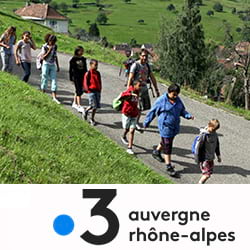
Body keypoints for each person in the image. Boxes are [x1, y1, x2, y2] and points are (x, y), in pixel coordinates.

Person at [143, 84, 194, 177]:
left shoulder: (178, 100)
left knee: (166, 141)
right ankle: (169, 166)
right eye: (173, 94)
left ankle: (156, 152)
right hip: (165, 126)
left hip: (174, 127)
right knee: (168, 145)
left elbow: (182, 110)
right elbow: (152, 112)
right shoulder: (161, 101)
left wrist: (188, 116)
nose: (175, 96)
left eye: (177, 95)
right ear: (168, 92)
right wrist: (146, 122)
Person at [127, 49, 160, 132]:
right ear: (140, 56)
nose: (144, 58)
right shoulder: (136, 65)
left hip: (144, 88)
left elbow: (152, 78)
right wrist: (128, 89)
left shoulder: (147, 66)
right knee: (138, 107)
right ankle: (135, 123)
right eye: (143, 56)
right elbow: (130, 77)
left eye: (146, 56)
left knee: (142, 107)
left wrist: (156, 89)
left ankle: (134, 121)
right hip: (136, 89)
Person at [120, 81, 142, 155]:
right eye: (139, 86)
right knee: (126, 129)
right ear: (134, 85)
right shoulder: (130, 90)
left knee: (132, 131)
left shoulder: (138, 92)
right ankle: (123, 136)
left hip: (134, 114)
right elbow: (122, 96)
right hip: (127, 113)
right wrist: (130, 94)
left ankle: (130, 148)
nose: (140, 87)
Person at [197, 119, 221, 184]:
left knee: (209, 173)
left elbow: (217, 145)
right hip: (205, 158)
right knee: (206, 174)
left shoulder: (215, 135)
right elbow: (199, 147)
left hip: (211, 158)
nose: (213, 131)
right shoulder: (204, 135)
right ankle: (200, 183)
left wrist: (218, 156)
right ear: (209, 126)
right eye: (213, 129)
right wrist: (199, 158)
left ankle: (201, 183)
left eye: (215, 130)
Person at [40, 34, 60, 104]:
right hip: (46, 64)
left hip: (52, 64)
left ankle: (54, 97)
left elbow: (55, 56)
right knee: (44, 78)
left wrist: (58, 65)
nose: (53, 43)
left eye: (54, 42)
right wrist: (49, 50)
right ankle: (42, 93)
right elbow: (43, 57)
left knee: (54, 79)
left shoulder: (55, 46)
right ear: (49, 41)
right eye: (52, 41)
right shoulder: (44, 46)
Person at [83, 59, 102, 126]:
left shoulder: (98, 73)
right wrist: (88, 90)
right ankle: (87, 113)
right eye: (95, 65)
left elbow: (99, 81)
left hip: (97, 91)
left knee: (96, 106)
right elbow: (85, 83)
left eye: (97, 65)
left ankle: (92, 117)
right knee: (92, 105)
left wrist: (100, 89)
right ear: (91, 65)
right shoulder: (88, 73)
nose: (96, 66)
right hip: (91, 91)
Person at [69, 46, 87, 113]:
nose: (82, 52)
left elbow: (85, 68)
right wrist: (71, 78)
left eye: (83, 51)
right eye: (81, 51)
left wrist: (86, 76)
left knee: (80, 90)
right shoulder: (73, 60)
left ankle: (74, 103)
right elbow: (71, 70)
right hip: (76, 77)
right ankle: (79, 105)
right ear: (77, 51)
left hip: (82, 76)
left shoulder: (83, 59)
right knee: (78, 90)